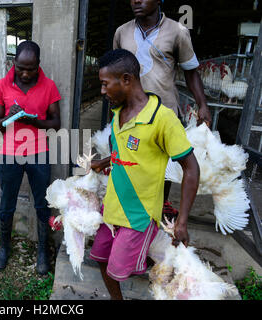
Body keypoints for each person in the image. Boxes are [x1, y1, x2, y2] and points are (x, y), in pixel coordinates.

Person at [89, 49, 200, 300]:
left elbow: (191, 168)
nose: (103, 91)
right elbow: (124, 151)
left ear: (126, 80)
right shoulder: (118, 113)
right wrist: (105, 161)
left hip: (138, 216)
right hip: (112, 209)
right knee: (100, 259)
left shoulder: (163, 119)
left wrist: (181, 221)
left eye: (106, 84)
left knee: (120, 270)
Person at [113, 0, 211, 220]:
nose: (136, 0)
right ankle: (127, 221)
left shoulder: (178, 31)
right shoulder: (122, 32)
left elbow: (191, 71)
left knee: (161, 173)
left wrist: (202, 104)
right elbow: (114, 71)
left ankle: (153, 222)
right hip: (129, 114)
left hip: (163, 113)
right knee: (126, 167)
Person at [0, 40, 61, 275]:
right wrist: (7, 118)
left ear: (38, 65)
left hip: (39, 152)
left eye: (31, 68)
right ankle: (4, 247)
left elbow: (56, 124)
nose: (25, 73)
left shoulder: (49, 86)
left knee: (42, 203)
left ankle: (42, 250)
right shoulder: (2, 85)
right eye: (21, 67)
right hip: (10, 153)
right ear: (14, 62)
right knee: (6, 203)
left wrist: (34, 122)